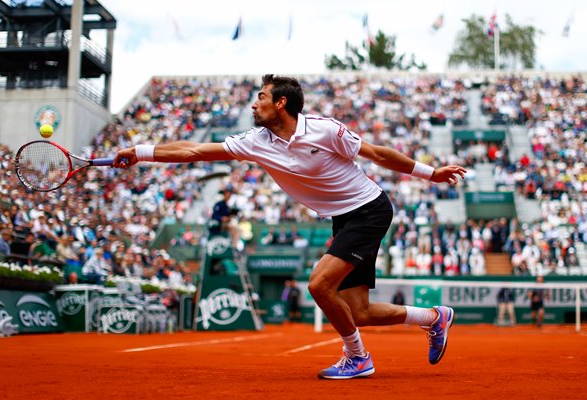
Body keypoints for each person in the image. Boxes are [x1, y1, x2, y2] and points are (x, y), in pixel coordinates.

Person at [114, 74, 466, 380]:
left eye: (261, 98)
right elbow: (193, 150)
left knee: (319, 285)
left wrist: (429, 173)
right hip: (343, 218)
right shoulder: (256, 141)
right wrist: (141, 151)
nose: (254, 105)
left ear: (281, 103)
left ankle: (358, 358)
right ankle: (434, 317)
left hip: (369, 210)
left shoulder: (324, 130)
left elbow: (377, 153)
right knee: (358, 311)